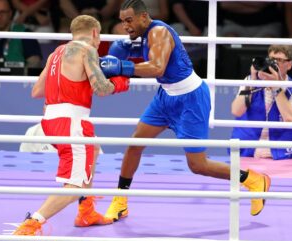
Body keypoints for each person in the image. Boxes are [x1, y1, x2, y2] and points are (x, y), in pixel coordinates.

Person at [99, 0, 271, 222]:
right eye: (123, 21)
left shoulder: (159, 32)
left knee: (198, 165)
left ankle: (252, 179)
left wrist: (122, 67)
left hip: (191, 100)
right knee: (135, 144)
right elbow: (132, 57)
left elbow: (157, 67)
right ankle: (120, 200)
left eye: (129, 20)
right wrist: (118, 61)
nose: (126, 26)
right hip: (166, 97)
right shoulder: (140, 36)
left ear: (144, 17)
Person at [11, 14, 130, 241]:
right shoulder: (87, 50)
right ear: (95, 33)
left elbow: (36, 91)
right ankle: (28, 227)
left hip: (51, 120)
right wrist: (120, 82)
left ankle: (86, 212)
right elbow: (102, 88)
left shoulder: (56, 54)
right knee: (74, 186)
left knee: (93, 148)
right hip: (71, 122)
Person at [231, 45, 292, 160]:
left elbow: (290, 119)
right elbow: (236, 111)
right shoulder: (250, 81)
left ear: (289, 64)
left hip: (280, 151)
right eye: (271, 60)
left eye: (279, 60)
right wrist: (253, 81)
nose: (274, 64)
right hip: (249, 149)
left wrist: (276, 87)